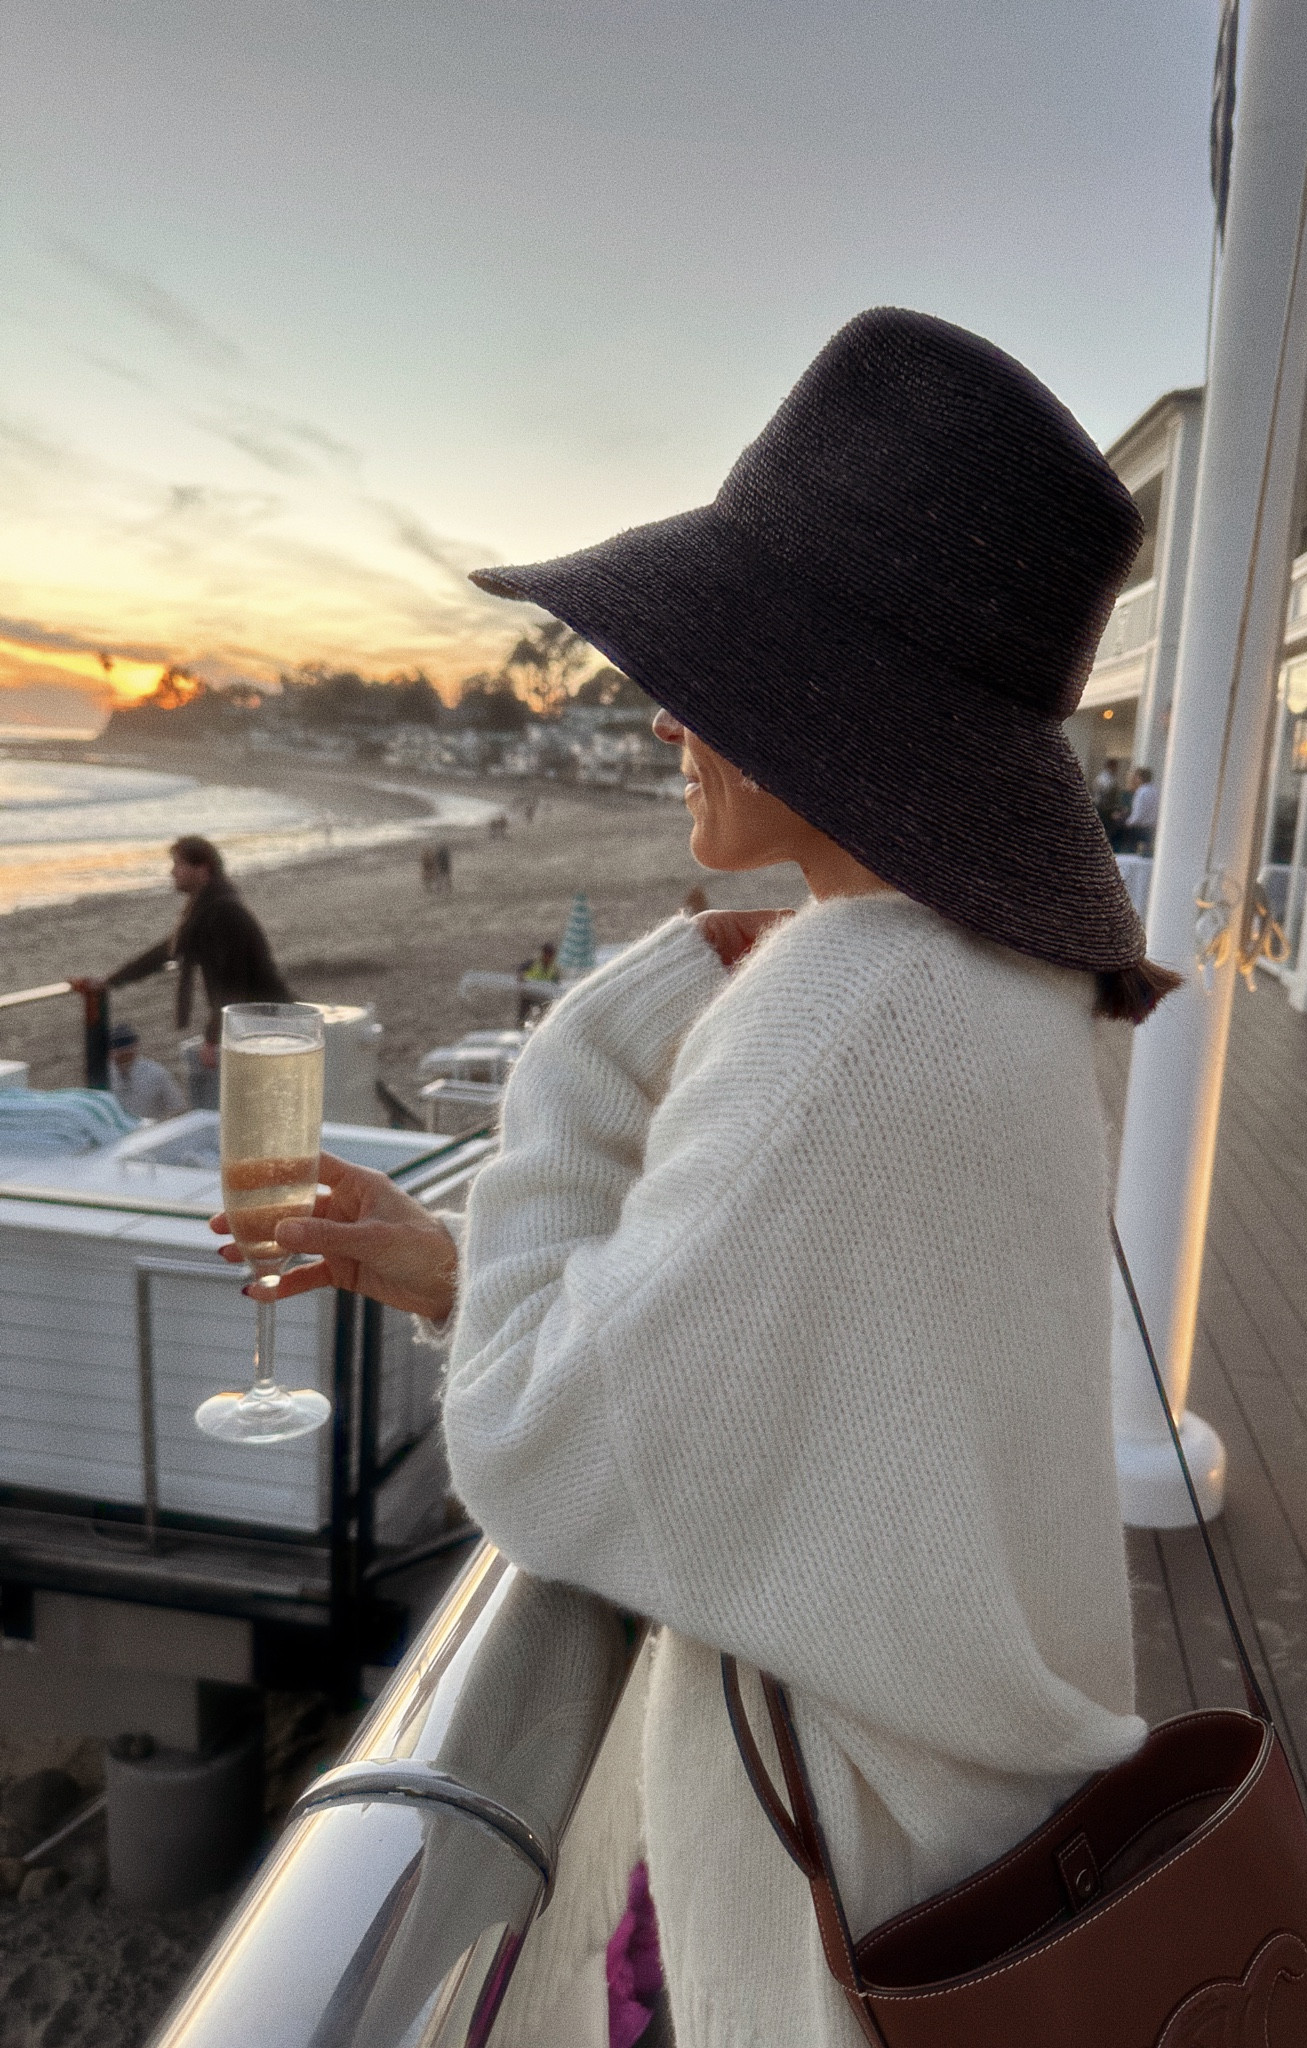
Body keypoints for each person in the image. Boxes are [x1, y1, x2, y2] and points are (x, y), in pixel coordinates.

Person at [212, 310, 1177, 2048]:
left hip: (850, 1891)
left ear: (828, 705)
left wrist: (589, 1046)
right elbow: (813, 1367)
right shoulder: (1000, 986)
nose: (668, 714)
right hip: (972, 1827)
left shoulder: (851, 1014)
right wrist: (456, 1273)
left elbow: (538, 1451)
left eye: (710, 669)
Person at [72, 836, 293, 1109]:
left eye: (178, 864)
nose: (172, 872)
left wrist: (213, 1037)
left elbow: (232, 983)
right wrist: (110, 981)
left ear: (202, 868)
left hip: (266, 1021)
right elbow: (166, 952)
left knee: (256, 1103)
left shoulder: (222, 911)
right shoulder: (207, 906)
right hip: (256, 1019)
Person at [106, 1023, 186, 1122]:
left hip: (152, 1129)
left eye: (126, 1051)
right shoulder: (103, 1077)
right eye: (118, 1051)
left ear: (135, 1046)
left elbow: (177, 1108)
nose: (122, 1054)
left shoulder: (156, 1073)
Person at [1123, 764, 1159, 853]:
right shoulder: (1155, 790)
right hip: (1152, 828)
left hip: (1139, 828)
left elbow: (1137, 815)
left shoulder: (1141, 792)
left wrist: (1127, 823)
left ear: (1140, 778)